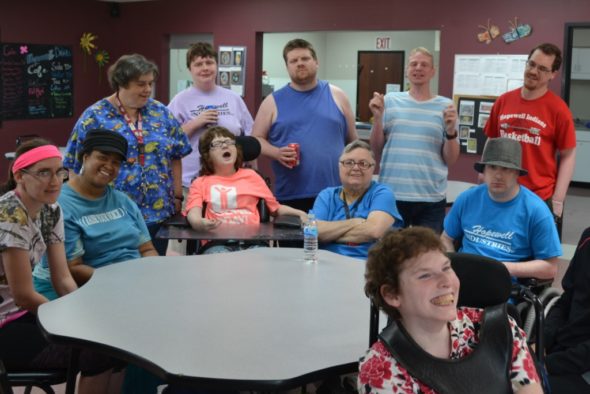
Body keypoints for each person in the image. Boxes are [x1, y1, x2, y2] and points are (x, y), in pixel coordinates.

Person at [0, 139, 123, 393]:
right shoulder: (10, 214)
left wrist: (85, 312)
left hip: (19, 316)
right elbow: (23, 296)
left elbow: (63, 278)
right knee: (97, 354)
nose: (55, 181)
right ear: (20, 176)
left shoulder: (51, 210)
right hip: (5, 321)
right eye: (43, 172)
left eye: (59, 171)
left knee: (119, 345)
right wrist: (70, 321)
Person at [359, 227, 542, 393]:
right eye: (425, 275)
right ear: (392, 294)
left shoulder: (500, 329)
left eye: (446, 268)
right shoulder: (381, 371)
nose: (446, 281)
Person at [64, 53, 192, 256]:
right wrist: (81, 205)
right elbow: (73, 163)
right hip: (111, 212)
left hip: (157, 210)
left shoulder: (161, 112)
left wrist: (177, 195)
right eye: (141, 84)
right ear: (121, 84)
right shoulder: (95, 116)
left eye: (150, 83)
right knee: (118, 266)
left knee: (153, 267)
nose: (148, 89)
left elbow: (177, 154)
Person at [33, 130, 158, 299]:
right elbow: (73, 268)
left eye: (116, 162)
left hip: (131, 282)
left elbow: (147, 249)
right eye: (103, 157)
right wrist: (122, 283)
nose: (109, 166)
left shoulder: (122, 200)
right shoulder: (59, 205)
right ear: (85, 157)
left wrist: (152, 276)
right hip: (85, 285)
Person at [252, 38, 357, 213]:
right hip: (291, 196)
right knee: (293, 241)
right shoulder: (272, 102)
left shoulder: (337, 95)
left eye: (305, 59)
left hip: (336, 193)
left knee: (335, 241)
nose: (300, 64)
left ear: (316, 62)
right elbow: (255, 139)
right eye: (293, 61)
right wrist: (276, 153)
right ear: (287, 67)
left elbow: (353, 142)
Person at [484, 43, 576, 238]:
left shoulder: (558, 109)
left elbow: (568, 155)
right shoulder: (503, 101)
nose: (534, 72)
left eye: (542, 69)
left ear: (553, 74)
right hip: (501, 192)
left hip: (538, 197)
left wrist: (558, 200)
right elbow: (491, 139)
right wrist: (484, 177)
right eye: (531, 64)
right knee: (498, 251)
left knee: (534, 260)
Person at [441, 137, 561, 280]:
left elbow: (550, 267)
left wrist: (501, 268)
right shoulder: (467, 199)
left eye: (506, 169)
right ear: (483, 171)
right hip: (462, 279)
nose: (498, 175)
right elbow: (445, 238)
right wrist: (452, 266)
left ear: (517, 173)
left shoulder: (536, 210)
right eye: (492, 167)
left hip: (503, 286)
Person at [369, 47, 459, 234]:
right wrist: (378, 118)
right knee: (389, 256)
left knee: (425, 257)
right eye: (414, 64)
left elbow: (450, 159)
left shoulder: (445, 106)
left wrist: (451, 132)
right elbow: (376, 149)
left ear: (432, 71)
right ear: (406, 71)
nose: (418, 68)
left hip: (430, 198)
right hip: (392, 195)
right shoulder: (390, 101)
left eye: (424, 64)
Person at [184, 126, 307, 253]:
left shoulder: (252, 176)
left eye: (229, 142)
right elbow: (194, 213)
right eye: (217, 144)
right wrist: (198, 223)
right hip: (217, 243)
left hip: (253, 242)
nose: (225, 146)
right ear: (207, 155)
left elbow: (276, 208)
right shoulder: (201, 183)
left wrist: (300, 213)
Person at [168, 42, 254, 189]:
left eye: (209, 62)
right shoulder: (179, 101)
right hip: (190, 183)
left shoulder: (233, 98)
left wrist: (250, 172)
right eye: (198, 64)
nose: (205, 68)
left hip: (231, 182)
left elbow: (251, 138)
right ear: (190, 69)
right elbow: (168, 140)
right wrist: (195, 123)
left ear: (216, 65)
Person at [311, 140, 401, 259]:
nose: (356, 168)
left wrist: (330, 233)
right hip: (326, 262)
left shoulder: (382, 193)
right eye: (349, 163)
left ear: (373, 168)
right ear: (339, 166)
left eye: (363, 163)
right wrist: (355, 222)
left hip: (368, 265)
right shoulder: (327, 195)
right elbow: (314, 232)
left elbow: (374, 231)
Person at [544, 227, 590, 393]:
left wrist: (550, 364)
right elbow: (566, 300)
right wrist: (542, 340)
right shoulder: (588, 237)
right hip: (563, 346)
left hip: (582, 367)